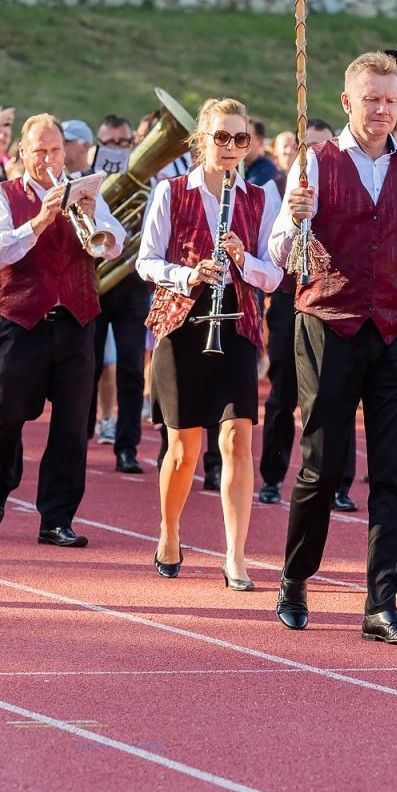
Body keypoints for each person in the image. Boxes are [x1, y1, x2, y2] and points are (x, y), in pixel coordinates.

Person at [267, 51, 397, 645]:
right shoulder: (312, 165)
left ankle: (381, 603)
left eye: (391, 100)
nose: (381, 110)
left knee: (392, 469)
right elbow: (277, 258)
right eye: (371, 99)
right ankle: (295, 578)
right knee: (322, 462)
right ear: (348, 102)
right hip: (327, 325)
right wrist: (294, 221)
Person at [138, 98, 282, 587]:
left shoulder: (261, 198)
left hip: (237, 324)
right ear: (202, 139)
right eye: (221, 137)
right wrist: (187, 273)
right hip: (181, 325)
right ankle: (170, 529)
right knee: (183, 449)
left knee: (238, 437)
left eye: (240, 139)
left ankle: (235, 554)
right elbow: (146, 261)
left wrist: (243, 260)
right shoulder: (171, 192)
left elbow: (274, 275)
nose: (230, 147)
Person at [0, 114, 125, 546]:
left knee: (73, 424)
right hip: (24, 321)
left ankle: (56, 518)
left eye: (55, 149)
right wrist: (38, 221)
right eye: (39, 151)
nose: (48, 159)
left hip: (77, 321)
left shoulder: (85, 189)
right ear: (23, 153)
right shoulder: (3, 195)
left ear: (66, 150)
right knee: (5, 412)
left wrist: (94, 214)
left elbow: (113, 243)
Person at [258, 118, 338, 505]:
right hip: (291, 301)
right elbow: (272, 252)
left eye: (323, 149)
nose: (315, 159)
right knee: (282, 393)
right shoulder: (278, 189)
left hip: (333, 300)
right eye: (309, 151)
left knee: (335, 393)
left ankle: (337, 482)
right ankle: (272, 477)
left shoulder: (343, 185)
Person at [88, 115, 153, 474]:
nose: (115, 150)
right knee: (88, 365)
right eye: (108, 143)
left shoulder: (150, 184)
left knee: (131, 367)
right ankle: (81, 434)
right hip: (93, 286)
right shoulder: (87, 184)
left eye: (122, 143)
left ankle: (127, 446)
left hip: (129, 286)